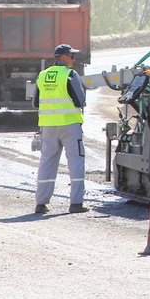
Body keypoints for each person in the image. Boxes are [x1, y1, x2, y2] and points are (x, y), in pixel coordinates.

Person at [33, 44, 88, 214]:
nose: (74, 59)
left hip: (49, 126)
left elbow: (35, 102)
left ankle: (41, 203)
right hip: (69, 125)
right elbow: (80, 101)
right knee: (76, 161)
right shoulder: (70, 75)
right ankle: (76, 203)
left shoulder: (42, 75)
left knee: (47, 162)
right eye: (72, 56)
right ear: (63, 57)